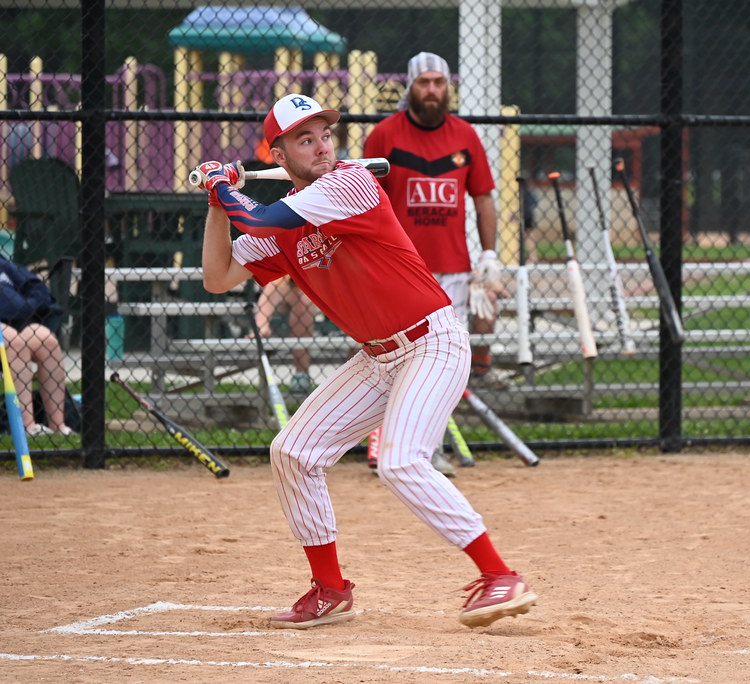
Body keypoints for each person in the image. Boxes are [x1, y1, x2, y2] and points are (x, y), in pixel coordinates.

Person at [193, 93, 538, 630]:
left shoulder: (350, 183)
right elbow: (218, 277)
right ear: (278, 155)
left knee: (400, 460)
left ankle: (499, 575)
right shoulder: (286, 225)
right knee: (293, 451)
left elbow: (260, 222)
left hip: (432, 342)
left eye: (325, 135)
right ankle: (330, 588)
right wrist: (218, 205)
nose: (323, 146)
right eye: (305, 140)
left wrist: (223, 185)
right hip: (376, 358)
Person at [363, 51, 507, 475]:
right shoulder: (384, 135)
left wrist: (488, 255)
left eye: (438, 83)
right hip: (399, 267)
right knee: (398, 357)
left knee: (445, 363)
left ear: (448, 87)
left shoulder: (465, 135)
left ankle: (427, 450)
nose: (431, 90)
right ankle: (394, 445)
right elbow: (363, 199)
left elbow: (483, 198)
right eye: (423, 82)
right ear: (410, 86)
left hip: (453, 267)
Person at [0, 256, 73, 436]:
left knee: (46, 340)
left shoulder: (3, 264)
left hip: (20, 322)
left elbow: (38, 289)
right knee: (14, 342)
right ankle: (27, 426)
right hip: (7, 328)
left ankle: (58, 425)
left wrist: (27, 306)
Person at [253, 276, 316, 392]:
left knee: (304, 302)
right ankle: (301, 373)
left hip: (327, 283)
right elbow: (270, 295)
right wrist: (262, 326)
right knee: (302, 304)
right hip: (298, 289)